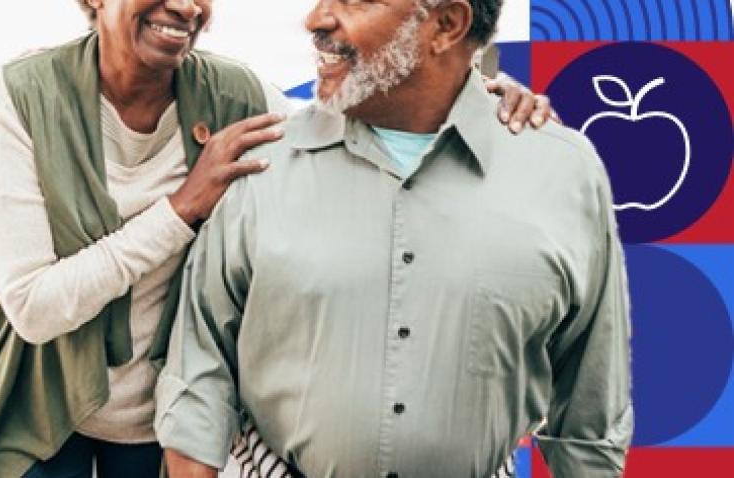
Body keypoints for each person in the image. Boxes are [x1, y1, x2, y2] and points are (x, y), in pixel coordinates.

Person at [0, 0, 555, 476]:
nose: (186, 7)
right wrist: (183, 208)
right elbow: (34, 307)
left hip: (169, 424)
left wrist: (469, 99)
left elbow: (350, 137)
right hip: (42, 412)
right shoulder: (22, 97)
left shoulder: (234, 94)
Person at [156, 0, 633, 477]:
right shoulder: (260, 166)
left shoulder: (564, 173)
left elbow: (590, 412)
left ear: (446, 25)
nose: (316, 19)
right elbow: (199, 372)